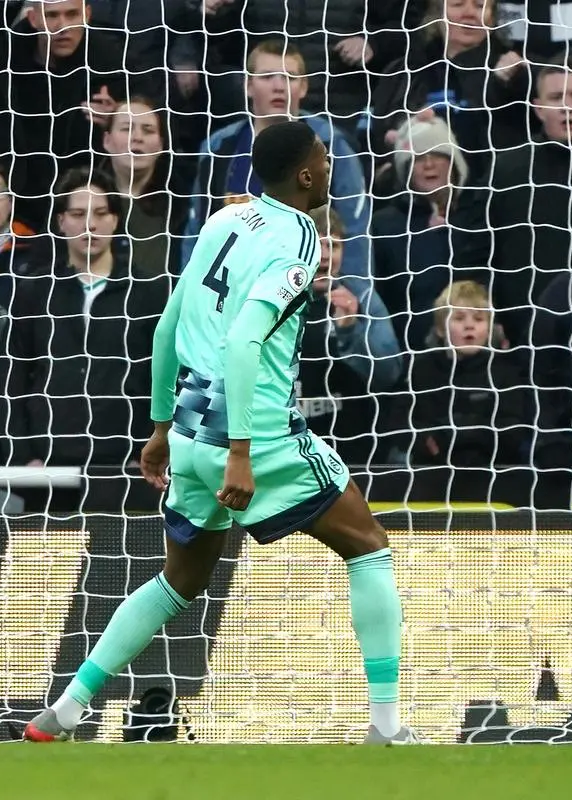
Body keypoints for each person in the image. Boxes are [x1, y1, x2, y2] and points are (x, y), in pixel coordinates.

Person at [23, 122, 420, 745]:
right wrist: (242, 452)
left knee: (176, 580)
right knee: (367, 544)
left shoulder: (220, 223)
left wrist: (158, 430)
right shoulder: (301, 239)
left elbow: (165, 330)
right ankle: (388, 727)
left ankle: (65, 711)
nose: (328, 171)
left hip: (186, 426)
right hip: (256, 436)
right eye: (322, 160)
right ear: (309, 175)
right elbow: (244, 339)